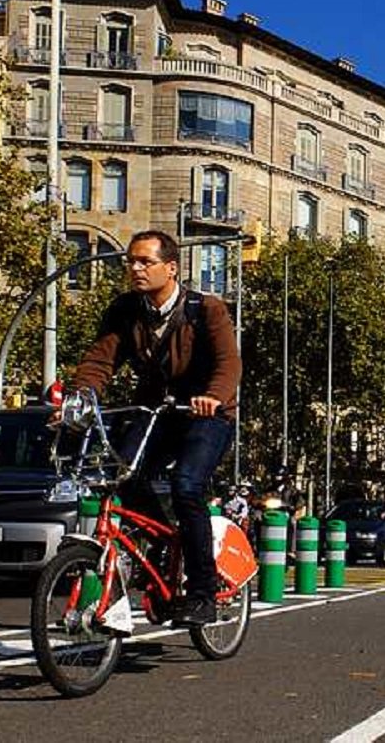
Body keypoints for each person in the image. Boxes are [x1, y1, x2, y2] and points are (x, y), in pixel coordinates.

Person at [68, 229, 242, 627]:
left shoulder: (206, 309)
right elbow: (99, 362)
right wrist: (79, 400)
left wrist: (212, 395)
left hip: (206, 414)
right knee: (121, 476)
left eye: (145, 261)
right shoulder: (126, 310)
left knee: (186, 485)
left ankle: (202, 592)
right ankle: (166, 544)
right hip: (155, 411)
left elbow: (229, 363)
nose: (134, 268)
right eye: (131, 260)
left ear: (171, 267)